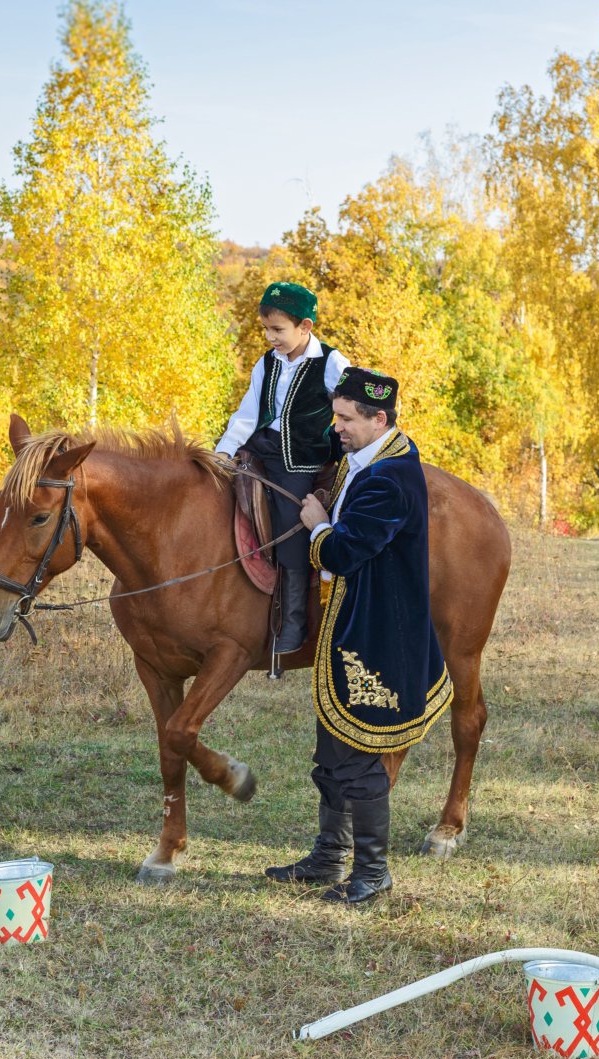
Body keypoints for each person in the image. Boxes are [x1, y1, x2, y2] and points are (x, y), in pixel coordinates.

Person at [264, 369, 451, 904]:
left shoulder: (390, 480)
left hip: (379, 637)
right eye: (336, 415)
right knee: (331, 749)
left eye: (346, 419)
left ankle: (372, 872)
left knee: (360, 754)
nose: (337, 428)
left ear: (379, 419)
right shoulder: (365, 458)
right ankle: (329, 856)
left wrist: (319, 523)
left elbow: (344, 554)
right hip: (353, 626)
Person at [214, 282, 351, 654]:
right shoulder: (267, 362)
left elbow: (351, 405)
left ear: (305, 327)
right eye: (266, 329)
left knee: (292, 529)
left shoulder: (330, 362)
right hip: (261, 447)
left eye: (278, 330)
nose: (270, 337)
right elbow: (246, 414)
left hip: (301, 458)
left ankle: (292, 625)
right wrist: (224, 452)